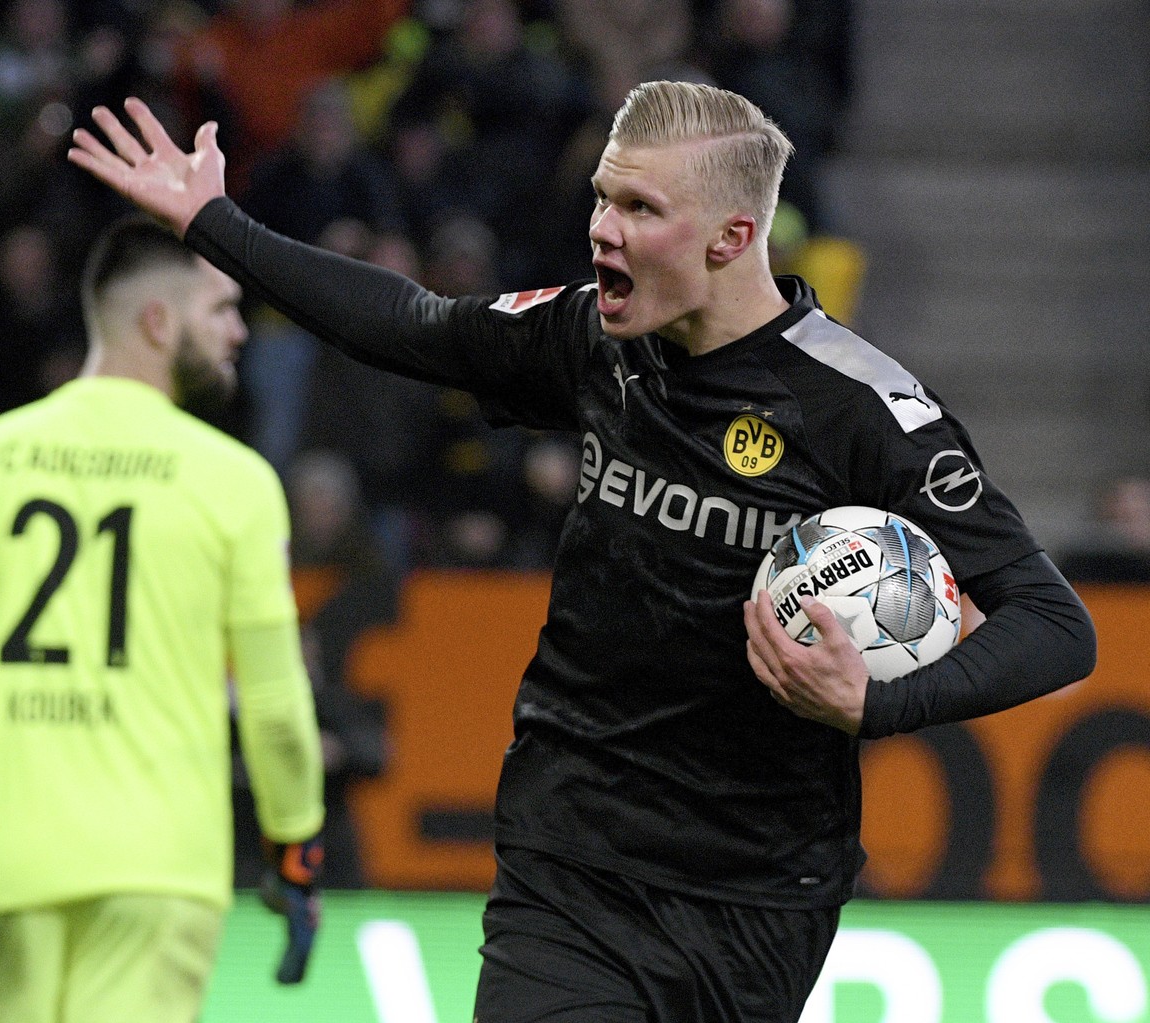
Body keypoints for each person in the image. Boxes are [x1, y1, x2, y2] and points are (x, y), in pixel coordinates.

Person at [68, 81, 1098, 1022]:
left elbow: (1056, 626)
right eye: (605, 199)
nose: (602, 230)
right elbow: (412, 324)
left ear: (735, 237)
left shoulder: (864, 413)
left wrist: (875, 704)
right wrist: (215, 222)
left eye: (641, 211)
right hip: (568, 865)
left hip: (756, 896)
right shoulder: (597, 341)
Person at [0, 216, 327, 1022]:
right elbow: (274, 703)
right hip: (159, 871)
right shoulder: (236, 482)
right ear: (158, 322)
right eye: (221, 309)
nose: (237, 331)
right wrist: (295, 846)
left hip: (6, 865)